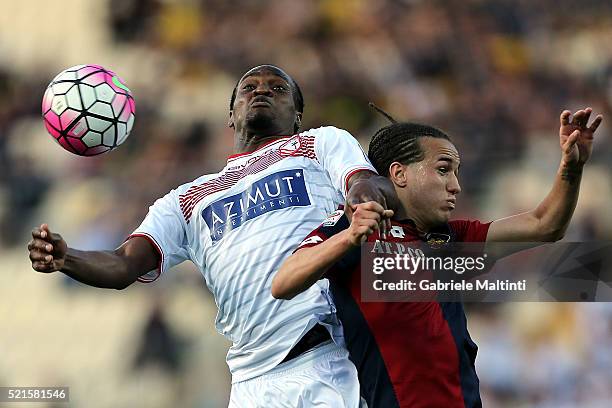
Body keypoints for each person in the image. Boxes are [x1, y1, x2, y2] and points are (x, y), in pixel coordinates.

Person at [27, 64, 397, 407]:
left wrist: (361, 205)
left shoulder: (319, 144)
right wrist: (68, 258)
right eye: (248, 88)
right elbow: (125, 264)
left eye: (278, 88)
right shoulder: (186, 200)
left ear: (297, 114)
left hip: (322, 355)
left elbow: (361, 182)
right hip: (249, 377)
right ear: (231, 114)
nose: (261, 91)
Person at [272, 108, 603, 407]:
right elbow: (283, 283)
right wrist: (348, 237)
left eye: (456, 172)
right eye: (443, 170)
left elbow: (544, 225)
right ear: (399, 174)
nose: (455, 185)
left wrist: (571, 168)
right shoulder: (356, 226)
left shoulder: (451, 238)